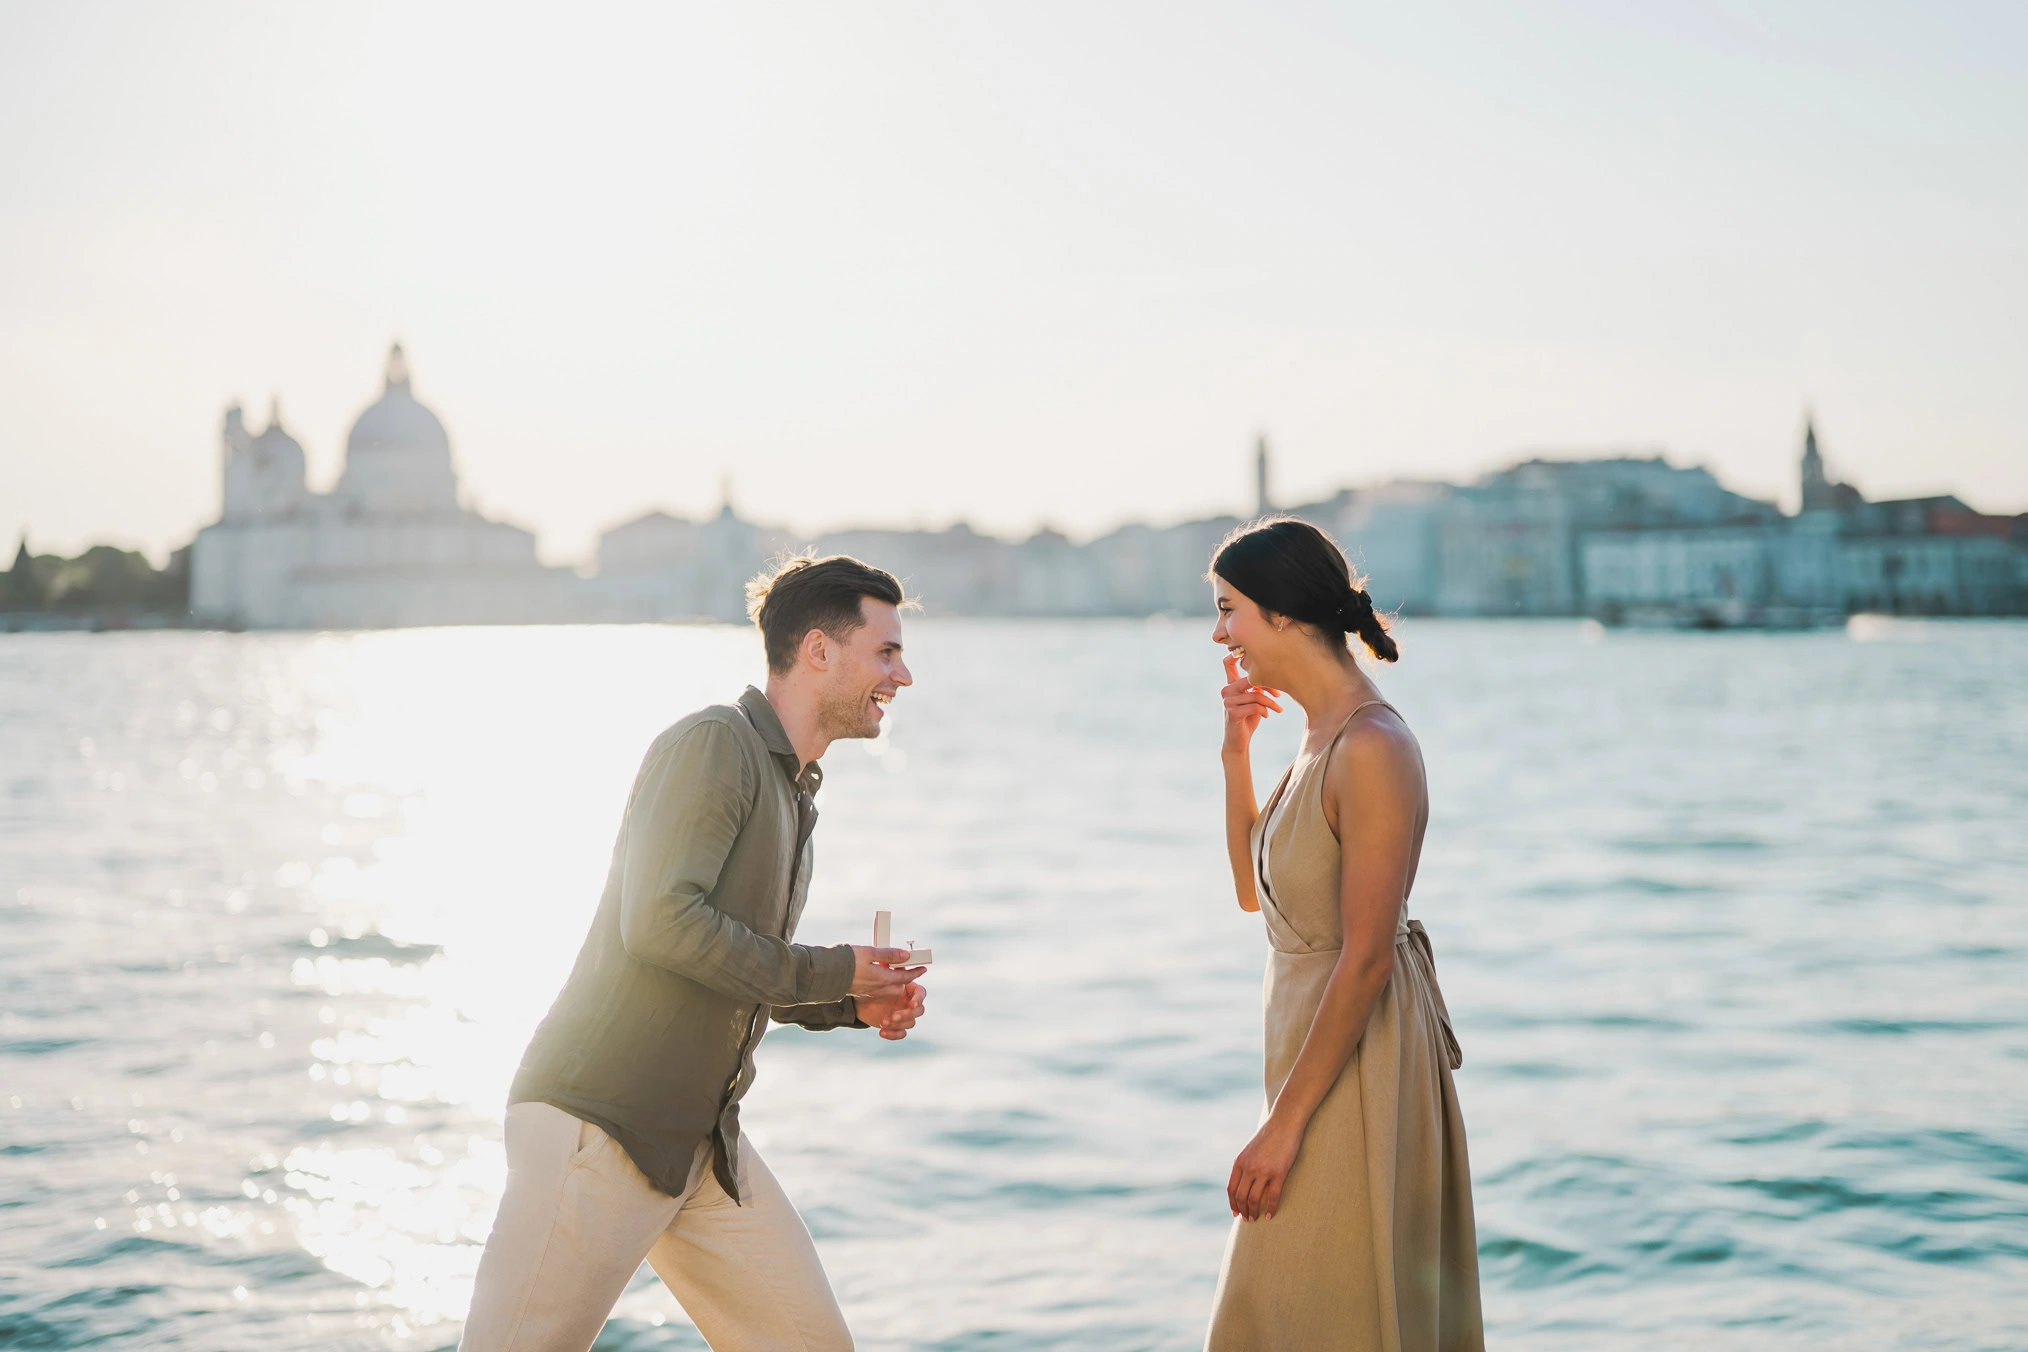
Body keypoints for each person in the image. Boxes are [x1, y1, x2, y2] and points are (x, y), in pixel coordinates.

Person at [459, 554, 928, 1352]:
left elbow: (736, 968)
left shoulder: (793, 791)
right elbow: (663, 924)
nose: (904, 674)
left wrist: (854, 1000)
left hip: (701, 1147)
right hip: (600, 1128)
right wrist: (834, 968)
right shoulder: (716, 744)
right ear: (819, 650)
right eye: (886, 651)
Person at [1203, 518, 1483, 1352]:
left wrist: (1283, 1127)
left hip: (1358, 1067)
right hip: (1307, 1055)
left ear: (1284, 614)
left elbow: (1364, 958)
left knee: (1318, 1304)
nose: (1219, 633)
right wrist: (1235, 756)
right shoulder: (1314, 740)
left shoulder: (1374, 745)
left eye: (1228, 610)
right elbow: (1255, 897)